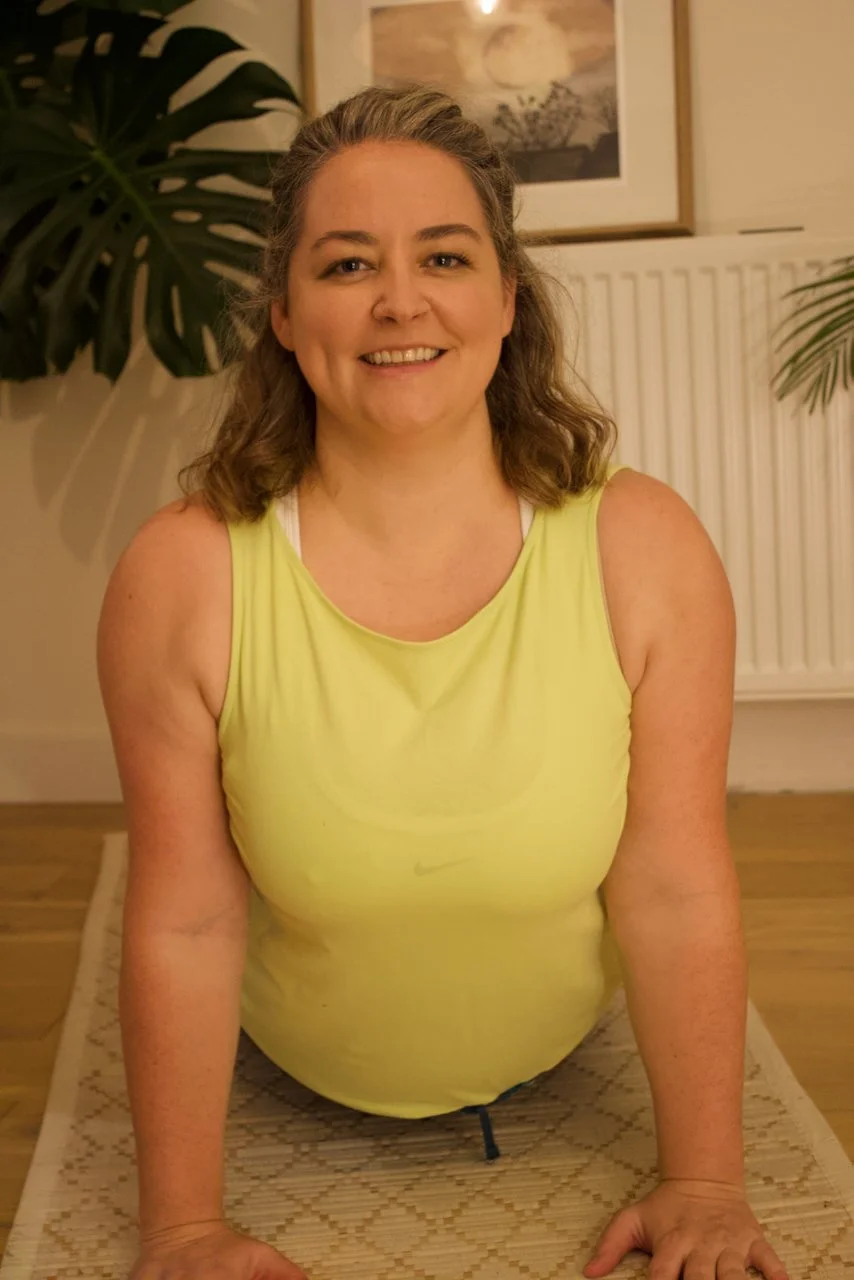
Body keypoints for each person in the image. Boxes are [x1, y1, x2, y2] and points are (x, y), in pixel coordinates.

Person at [97, 84, 790, 1280]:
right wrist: (182, 1226)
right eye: (347, 262)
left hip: (555, 1055)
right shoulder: (180, 572)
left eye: (444, 256)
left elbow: (674, 881)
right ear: (282, 312)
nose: (399, 299)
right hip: (294, 1064)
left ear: (507, 298)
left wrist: (704, 1183)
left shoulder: (643, 544)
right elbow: (186, 916)